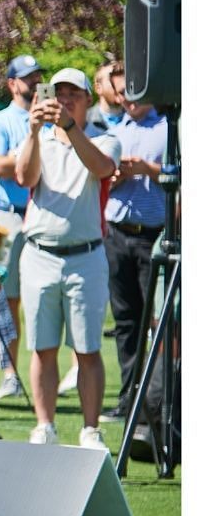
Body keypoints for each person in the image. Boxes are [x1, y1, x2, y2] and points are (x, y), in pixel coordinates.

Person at [16, 68, 121, 446]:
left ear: (87, 100)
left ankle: (90, 429)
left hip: (86, 257)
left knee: (87, 349)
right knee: (42, 348)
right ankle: (45, 425)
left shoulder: (105, 139)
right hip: (40, 255)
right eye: (58, 93)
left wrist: (70, 130)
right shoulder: (39, 139)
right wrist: (32, 132)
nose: (64, 100)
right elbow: (25, 178)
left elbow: (103, 168)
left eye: (73, 94)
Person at [0, 53, 44, 398]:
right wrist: (29, 155)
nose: (34, 82)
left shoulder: (50, 119)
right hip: (4, 217)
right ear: (12, 83)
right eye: (27, 77)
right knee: (2, 297)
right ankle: (8, 372)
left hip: (40, 215)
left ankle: (36, 374)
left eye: (37, 76)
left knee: (37, 298)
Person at [103, 93, 169, 424]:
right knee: (126, 320)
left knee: (157, 321)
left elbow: (180, 177)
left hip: (153, 235)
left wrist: (147, 169)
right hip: (117, 232)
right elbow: (102, 178)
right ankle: (128, 399)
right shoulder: (114, 131)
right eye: (123, 96)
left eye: (135, 95)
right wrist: (114, 178)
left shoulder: (168, 127)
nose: (129, 101)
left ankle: (157, 401)